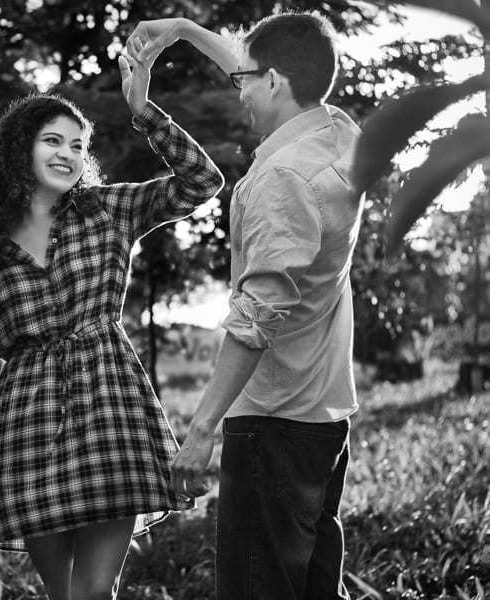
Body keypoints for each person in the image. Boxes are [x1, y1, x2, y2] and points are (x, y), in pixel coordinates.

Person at [0, 38, 224, 600]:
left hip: (108, 407)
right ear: (18, 150)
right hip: (26, 425)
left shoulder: (108, 210)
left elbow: (202, 183)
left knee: (92, 592)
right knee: (66, 596)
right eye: (52, 141)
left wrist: (144, 113)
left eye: (78, 146)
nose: (67, 153)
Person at [128, 12, 363, 600]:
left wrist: (203, 430)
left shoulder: (281, 178)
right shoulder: (338, 133)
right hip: (326, 415)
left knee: (257, 587)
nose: (240, 91)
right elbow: (252, 57)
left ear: (277, 82)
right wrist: (183, 28)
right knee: (310, 586)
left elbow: (257, 316)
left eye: (247, 82)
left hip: (272, 422)